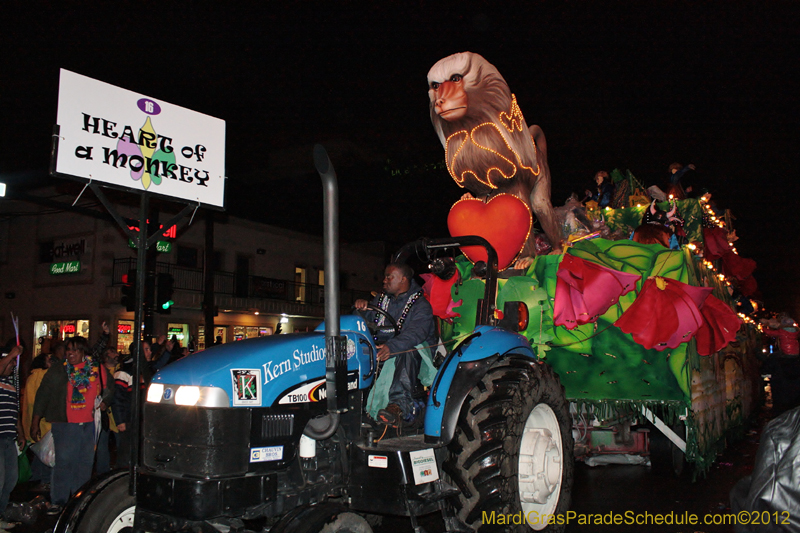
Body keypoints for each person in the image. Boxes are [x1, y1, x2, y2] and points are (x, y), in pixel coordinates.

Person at [30, 336, 114, 515]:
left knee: (85, 464)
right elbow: (43, 394)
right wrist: (35, 421)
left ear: (83, 352)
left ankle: (79, 499)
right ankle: (59, 501)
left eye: (75, 350)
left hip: (89, 424)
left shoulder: (96, 368)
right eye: (68, 350)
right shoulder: (59, 370)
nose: (70, 353)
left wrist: (105, 401)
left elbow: (110, 389)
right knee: (64, 463)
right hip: (65, 424)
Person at [354, 263, 436, 427]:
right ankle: (355, 404)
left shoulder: (421, 306)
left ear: (403, 279)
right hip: (383, 348)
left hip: (414, 353)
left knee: (406, 351)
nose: (384, 280)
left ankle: (397, 407)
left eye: (389, 277)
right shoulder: (381, 300)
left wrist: (391, 347)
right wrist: (361, 309)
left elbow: (415, 334)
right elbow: (365, 322)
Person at [0, 344, 24, 531]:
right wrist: (12, 354)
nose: (11, 366)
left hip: (9, 438)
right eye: (8, 362)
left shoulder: (10, 385)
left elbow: (15, 413)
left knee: (10, 479)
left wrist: (20, 433)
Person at [94, 347, 119, 475]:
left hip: (116, 416)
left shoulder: (119, 370)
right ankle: (102, 473)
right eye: (112, 352)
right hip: (103, 415)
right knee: (101, 445)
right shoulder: (99, 370)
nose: (116, 355)